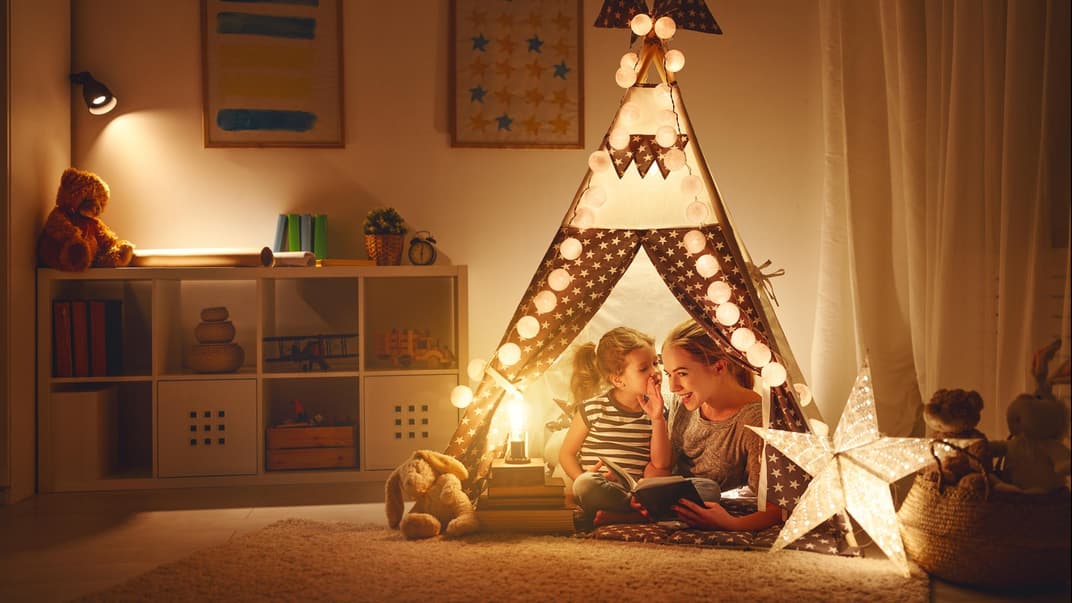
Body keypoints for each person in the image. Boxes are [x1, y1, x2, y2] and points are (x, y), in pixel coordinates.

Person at [638, 318, 783, 531]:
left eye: (682, 373)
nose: (673, 386)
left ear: (719, 367)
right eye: (669, 374)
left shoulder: (755, 419)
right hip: (678, 499)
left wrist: (731, 524)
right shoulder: (684, 403)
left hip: (709, 500)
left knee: (707, 490)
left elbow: (776, 508)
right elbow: (662, 468)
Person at [558, 326, 665, 525]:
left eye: (656, 363)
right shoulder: (592, 409)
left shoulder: (659, 411)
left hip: (636, 491)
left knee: (707, 489)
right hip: (600, 488)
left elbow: (661, 463)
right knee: (587, 485)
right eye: (644, 368)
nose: (655, 372)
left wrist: (658, 419)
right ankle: (630, 513)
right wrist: (580, 477)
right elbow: (566, 453)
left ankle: (623, 514)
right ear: (618, 380)